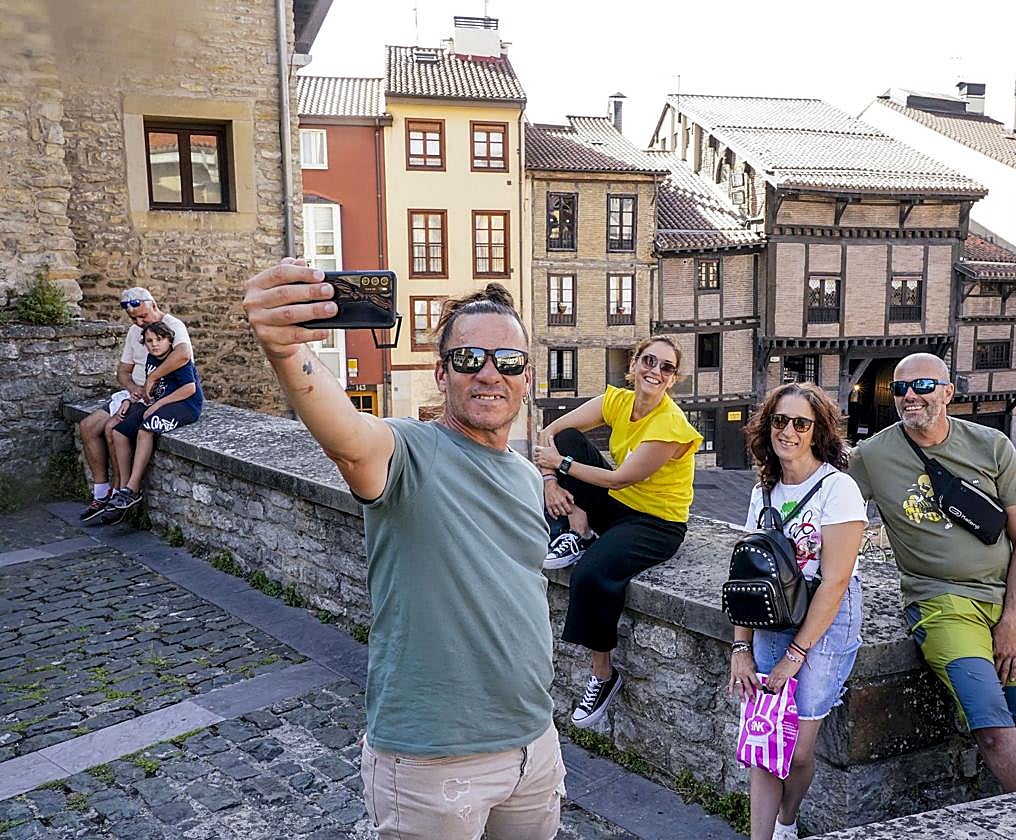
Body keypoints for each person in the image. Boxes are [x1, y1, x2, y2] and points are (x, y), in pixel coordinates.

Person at [243, 260, 564, 840]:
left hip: (532, 745)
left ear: (527, 376)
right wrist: (287, 353)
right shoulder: (411, 452)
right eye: (469, 360)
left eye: (508, 361)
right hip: (435, 761)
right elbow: (349, 441)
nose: (489, 374)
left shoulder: (523, 474)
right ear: (442, 375)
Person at [846, 352, 1016, 792]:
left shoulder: (991, 445)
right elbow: (834, 512)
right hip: (941, 603)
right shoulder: (872, 456)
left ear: (948, 392)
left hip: (1008, 604)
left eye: (922, 385)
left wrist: (1012, 620)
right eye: (900, 389)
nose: (909, 396)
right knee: (993, 730)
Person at [532, 335, 702, 728]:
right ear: (634, 364)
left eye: (666, 367)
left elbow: (620, 479)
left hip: (656, 524)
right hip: (618, 508)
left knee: (592, 573)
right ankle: (579, 527)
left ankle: (603, 676)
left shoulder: (670, 426)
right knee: (571, 439)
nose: (655, 371)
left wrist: (562, 467)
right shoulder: (619, 401)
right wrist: (550, 481)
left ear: (673, 379)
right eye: (649, 361)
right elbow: (551, 433)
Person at [728, 383, 866, 840]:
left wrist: (797, 654)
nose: (788, 431)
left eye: (800, 423)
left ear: (817, 431)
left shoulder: (837, 488)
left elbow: (836, 581)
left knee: (800, 751)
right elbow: (749, 580)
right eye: (779, 421)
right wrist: (740, 648)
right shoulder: (762, 492)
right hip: (774, 621)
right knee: (767, 744)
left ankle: (787, 821)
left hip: (826, 626)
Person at [78, 287, 192, 522]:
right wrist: (132, 390)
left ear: (154, 306)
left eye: (143, 316)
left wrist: (152, 379)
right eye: (134, 319)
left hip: (157, 393)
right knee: (88, 426)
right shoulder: (135, 332)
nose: (139, 322)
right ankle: (102, 491)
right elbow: (123, 371)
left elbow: (184, 355)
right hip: (134, 392)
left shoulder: (173, 326)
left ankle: (122, 491)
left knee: (113, 428)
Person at [106, 321, 204, 511]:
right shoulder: (151, 359)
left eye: (160, 339)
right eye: (149, 340)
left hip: (185, 404)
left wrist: (157, 405)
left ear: (170, 340)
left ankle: (133, 489)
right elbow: (154, 389)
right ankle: (123, 490)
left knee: (146, 429)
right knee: (119, 432)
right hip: (160, 403)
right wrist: (132, 399)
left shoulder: (177, 361)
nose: (154, 344)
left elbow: (189, 389)